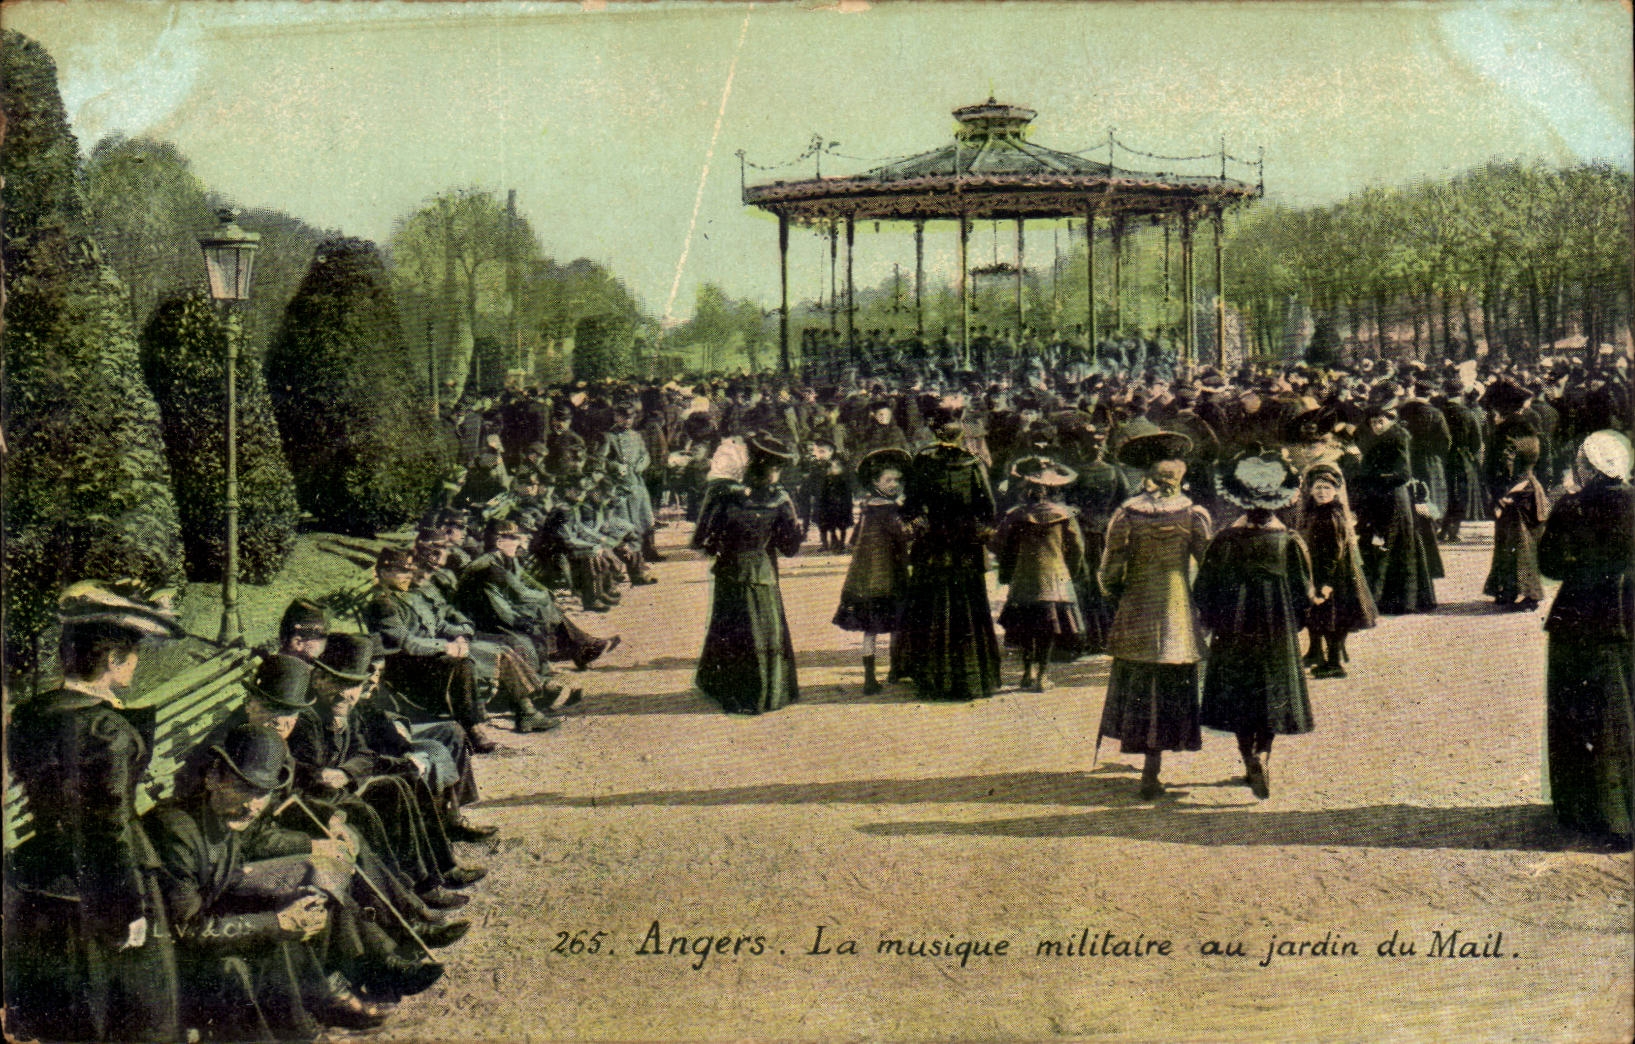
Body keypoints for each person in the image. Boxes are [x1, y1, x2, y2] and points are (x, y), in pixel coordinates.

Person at [7, 583, 186, 1042]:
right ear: (111, 661)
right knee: (141, 1013)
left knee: (72, 1019)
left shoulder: (30, 714)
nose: (136, 663)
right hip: (110, 887)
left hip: (46, 884)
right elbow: (111, 828)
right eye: (132, 655)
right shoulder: (108, 730)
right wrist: (129, 909)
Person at [146, 724, 401, 1038]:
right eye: (245, 787)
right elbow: (187, 929)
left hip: (200, 925)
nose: (254, 804)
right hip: (164, 959)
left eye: (263, 793)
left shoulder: (226, 813)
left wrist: (283, 900)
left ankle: (319, 1002)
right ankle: (304, 1028)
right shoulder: (177, 833)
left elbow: (255, 847)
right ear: (213, 778)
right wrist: (275, 921)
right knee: (271, 934)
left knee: (294, 901)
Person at [1096, 428, 1213, 799]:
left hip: (1138, 607)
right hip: (1177, 609)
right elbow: (1208, 565)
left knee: (1140, 683)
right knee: (1173, 684)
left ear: (1148, 477)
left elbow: (1110, 566)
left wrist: (1115, 590)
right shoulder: (1194, 514)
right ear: (1180, 477)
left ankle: (1147, 765)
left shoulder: (1128, 512)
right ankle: (1156, 766)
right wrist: (1202, 603)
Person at [1194, 454, 1316, 799]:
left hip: (1234, 630)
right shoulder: (1288, 541)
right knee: (1273, 694)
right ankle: (1264, 753)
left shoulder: (1225, 541)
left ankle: (1248, 757)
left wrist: (1214, 619)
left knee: (1239, 695)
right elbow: (1302, 593)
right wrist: (1296, 623)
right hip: (1276, 630)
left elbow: (1203, 589)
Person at [1538, 430, 1634, 848]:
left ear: (1586, 468)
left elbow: (1551, 565)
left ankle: (1589, 810)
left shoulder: (1573, 507)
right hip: (1629, 616)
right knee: (1623, 709)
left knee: (1583, 711)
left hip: (1581, 620)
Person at [693, 434, 805, 714]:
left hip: (731, 572)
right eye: (776, 468)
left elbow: (705, 541)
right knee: (764, 631)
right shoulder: (780, 499)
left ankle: (731, 690)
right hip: (762, 573)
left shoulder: (722, 495)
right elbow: (789, 548)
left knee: (730, 629)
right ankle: (767, 692)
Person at [899, 405, 1003, 701]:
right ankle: (970, 676)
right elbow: (989, 510)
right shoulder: (973, 464)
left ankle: (932, 677)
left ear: (935, 433)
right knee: (967, 607)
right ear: (961, 437)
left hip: (933, 546)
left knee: (932, 607)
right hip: (964, 547)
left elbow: (910, 508)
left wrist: (921, 519)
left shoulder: (923, 464)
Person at [992, 456, 1087, 692]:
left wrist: (1010, 563)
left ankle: (1027, 672)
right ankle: (1043, 676)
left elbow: (997, 544)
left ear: (1026, 492)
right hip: (1055, 580)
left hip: (1024, 580)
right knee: (1047, 629)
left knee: (1025, 628)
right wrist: (1071, 572)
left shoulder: (1015, 515)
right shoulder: (1064, 516)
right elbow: (1077, 549)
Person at [832, 447, 913, 694]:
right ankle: (891, 670)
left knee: (871, 628)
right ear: (876, 482)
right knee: (894, 623)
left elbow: (853, 539)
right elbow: (904, 533)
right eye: (888, 480)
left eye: (898, 480)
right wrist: (920, 522)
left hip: (864, 578)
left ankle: (872, 675)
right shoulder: (888, 509)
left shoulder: (869, 506)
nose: (894, 485)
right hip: (887, 576)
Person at [1294, 463, 1378, 678]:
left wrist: (1327, 583)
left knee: (1334, 620)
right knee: (1321, 616)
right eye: (1318, 488)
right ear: (1311, 491)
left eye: (1327, 489)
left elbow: (1334, 552)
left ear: (1335, 491)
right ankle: (1320, 656)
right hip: (1321, 571)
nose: (1322, 493)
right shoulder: (1317, 511)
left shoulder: (1332, 515)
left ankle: (1334, 664)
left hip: (1334, 575)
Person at [1352, 403, 1437, 614]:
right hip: (1381, 496)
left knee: (1391, 543)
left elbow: (1403, 472)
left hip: (1393, 498)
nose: (1377, 426)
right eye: (1373, 422)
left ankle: (1399, 600)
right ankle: (1385, 598)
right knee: (1383, 543)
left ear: (1390, 420)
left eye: (1381, 421)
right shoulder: (1377, 438)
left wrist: (1373, 477)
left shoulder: (1398, 438)